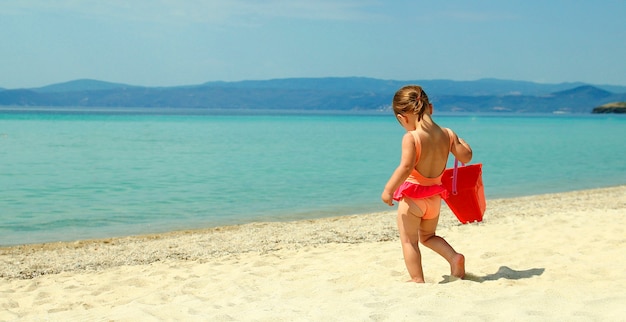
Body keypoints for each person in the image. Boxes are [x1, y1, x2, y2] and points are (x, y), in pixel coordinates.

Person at [381, 85, 472, 283]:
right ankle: (454, 257)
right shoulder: (448, 134)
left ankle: (417, 280)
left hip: (413, 199)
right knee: (429, 236)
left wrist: (388, 190)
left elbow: (406, 168)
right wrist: (463, 143)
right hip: (434, 200)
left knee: (409, 241)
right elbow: (466, 157)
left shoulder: (412, 137)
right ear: (430, 107)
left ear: (402, 117)